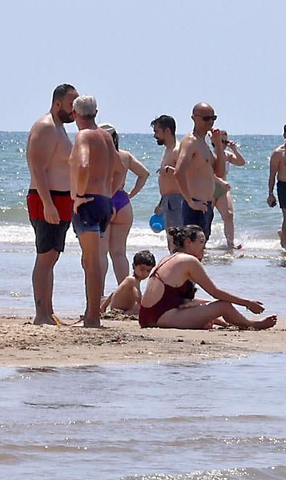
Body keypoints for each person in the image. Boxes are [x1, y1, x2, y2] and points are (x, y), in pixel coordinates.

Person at [138, 225, 276, 330]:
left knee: (207, 304)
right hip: (160, 318)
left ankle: (224, 320)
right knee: (224, 305)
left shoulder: (168, 258)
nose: (204, 247)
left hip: (145, 317)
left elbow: (171, 297)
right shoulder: (189, 261)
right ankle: (252, 324)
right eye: (201, 242)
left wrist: (204, 306)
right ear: (188, 242)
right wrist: (248, 303)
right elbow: (215, 292)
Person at [66, 96, 125, 328]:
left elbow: (82, 165)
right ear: (96, 112)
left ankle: (92, 316)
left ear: (74, 114)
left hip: (88, 203)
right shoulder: (105, 137)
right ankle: (91, 312)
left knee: (91, 263)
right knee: (92, 261)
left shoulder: (84, 135)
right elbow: (120, 169)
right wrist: (109, 194)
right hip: (102, 201)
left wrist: (79, 195)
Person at [26, 82, 76, 324]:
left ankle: (48, 310)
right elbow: (37, 167)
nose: (74, 110)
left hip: (61, 198)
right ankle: (40, 314)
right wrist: (48, 204)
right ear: (58, 103)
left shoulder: (61, 128)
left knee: (53, 256)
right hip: (46, 198)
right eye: (70, 104)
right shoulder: (46, 127)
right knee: (45, 256)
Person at [100, 124, 150, 284]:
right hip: (122, 202)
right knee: (119, 253)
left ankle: (98, 295)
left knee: (101, 253)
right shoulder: (124, 156)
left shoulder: (96, 156)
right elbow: (144, 174)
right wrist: (131, 194)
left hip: (103, 199)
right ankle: (126, 292)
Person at [173, 103, 220, 241]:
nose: (210, 122)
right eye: (206, 118)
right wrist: (190, 202)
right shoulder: (190, 141)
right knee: (191, 249)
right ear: (194, 118)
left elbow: (219, 172)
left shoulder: (203, 143)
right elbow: (178, 172)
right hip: (194, 205)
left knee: (201, 250)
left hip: (207, 205)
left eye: (213, 118)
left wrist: (218, 145)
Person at [149, 113, 182, 248]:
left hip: (178, 201)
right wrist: (161, 203)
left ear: (167, 131)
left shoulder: (178, 150)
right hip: (168, 201)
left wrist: (169, 170)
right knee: (170, 240)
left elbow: (188, 175)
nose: (155, 135)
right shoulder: (167, 150)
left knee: (177, 239)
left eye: (157, 131)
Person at [211, 128, 245, 250]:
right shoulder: (211, 154)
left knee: (229, 215)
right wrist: (219, 180)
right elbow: (206, 172)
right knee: (207, 217)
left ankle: (230, 243)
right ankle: (202, 242)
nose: (224, 144)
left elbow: (241, 162)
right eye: (222, 141)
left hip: (222, 190)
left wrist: (234, 149)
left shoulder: (227, 155)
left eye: (226, 141)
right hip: (209, 189)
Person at [101, 250, 156, 315]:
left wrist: (103, 306)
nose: (144, 273)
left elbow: (114, 292)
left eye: (148, 271)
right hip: (121, 311)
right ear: (133, 266)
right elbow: (138, 298)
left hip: (118, 308)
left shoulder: (129, 279)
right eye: (142, 269)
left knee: (137, 306)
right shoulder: (133, 280)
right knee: (140, 310)